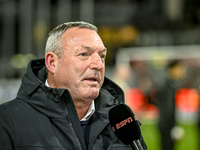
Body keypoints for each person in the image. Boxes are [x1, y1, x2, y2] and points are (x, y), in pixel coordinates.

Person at [0, 21, 147, 150]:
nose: (98, 64)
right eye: (84, 54)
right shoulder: (7, 121)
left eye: (101, 56)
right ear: (52, 63)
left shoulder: (123, 124)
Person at [155, 60, 186, 150]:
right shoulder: (168, 86)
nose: (181, 71)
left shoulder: (171, 85)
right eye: (179, 68)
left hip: (165, 124)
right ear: (172, 70)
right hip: (166, 125)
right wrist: (172, 127)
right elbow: (168, 108)